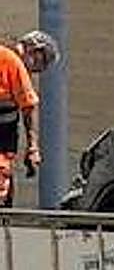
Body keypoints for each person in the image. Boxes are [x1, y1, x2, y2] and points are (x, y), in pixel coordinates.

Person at [0, 30, 60, 207]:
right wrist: (32, 147)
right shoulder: (13, 62)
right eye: (43, 63)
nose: (38, 71)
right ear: (35, 50)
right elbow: (29, 106)